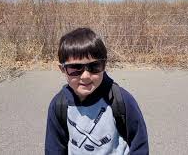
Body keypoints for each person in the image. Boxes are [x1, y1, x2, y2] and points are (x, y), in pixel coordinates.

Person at [45, 27, 149, 155]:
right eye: (75, 68)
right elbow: (54, 148)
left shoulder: (121, 100)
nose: (85, 76)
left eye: (94, 66)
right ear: (62, 69)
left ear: (104, 65)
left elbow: (139, 144)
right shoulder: (59, 105)